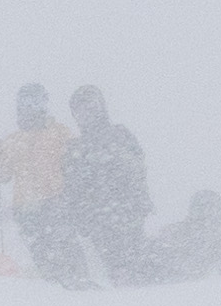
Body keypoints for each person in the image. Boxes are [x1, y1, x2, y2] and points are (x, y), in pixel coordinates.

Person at [61, 84, 161, 280]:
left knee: (135, 265)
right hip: (98, 219)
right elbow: (72, 187)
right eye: (80, 110)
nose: (86, 114)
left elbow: (137, 169)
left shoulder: (119, 134)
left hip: (125, 212)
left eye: (91, 107)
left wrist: (138, 201)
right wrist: (78, 215)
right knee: (115, 271)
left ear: (101, 107)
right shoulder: (75, 147)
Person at [1, 85, 79, 280]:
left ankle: (77, 281)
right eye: (25, 103)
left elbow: (74, 162)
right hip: (25, 207)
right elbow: (3, 174)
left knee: (65, 244)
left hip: (55, 200)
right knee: (40, 250)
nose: (31, 108)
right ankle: (52, 286)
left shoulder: (59, 132)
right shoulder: (13, 140)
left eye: (36, 102)